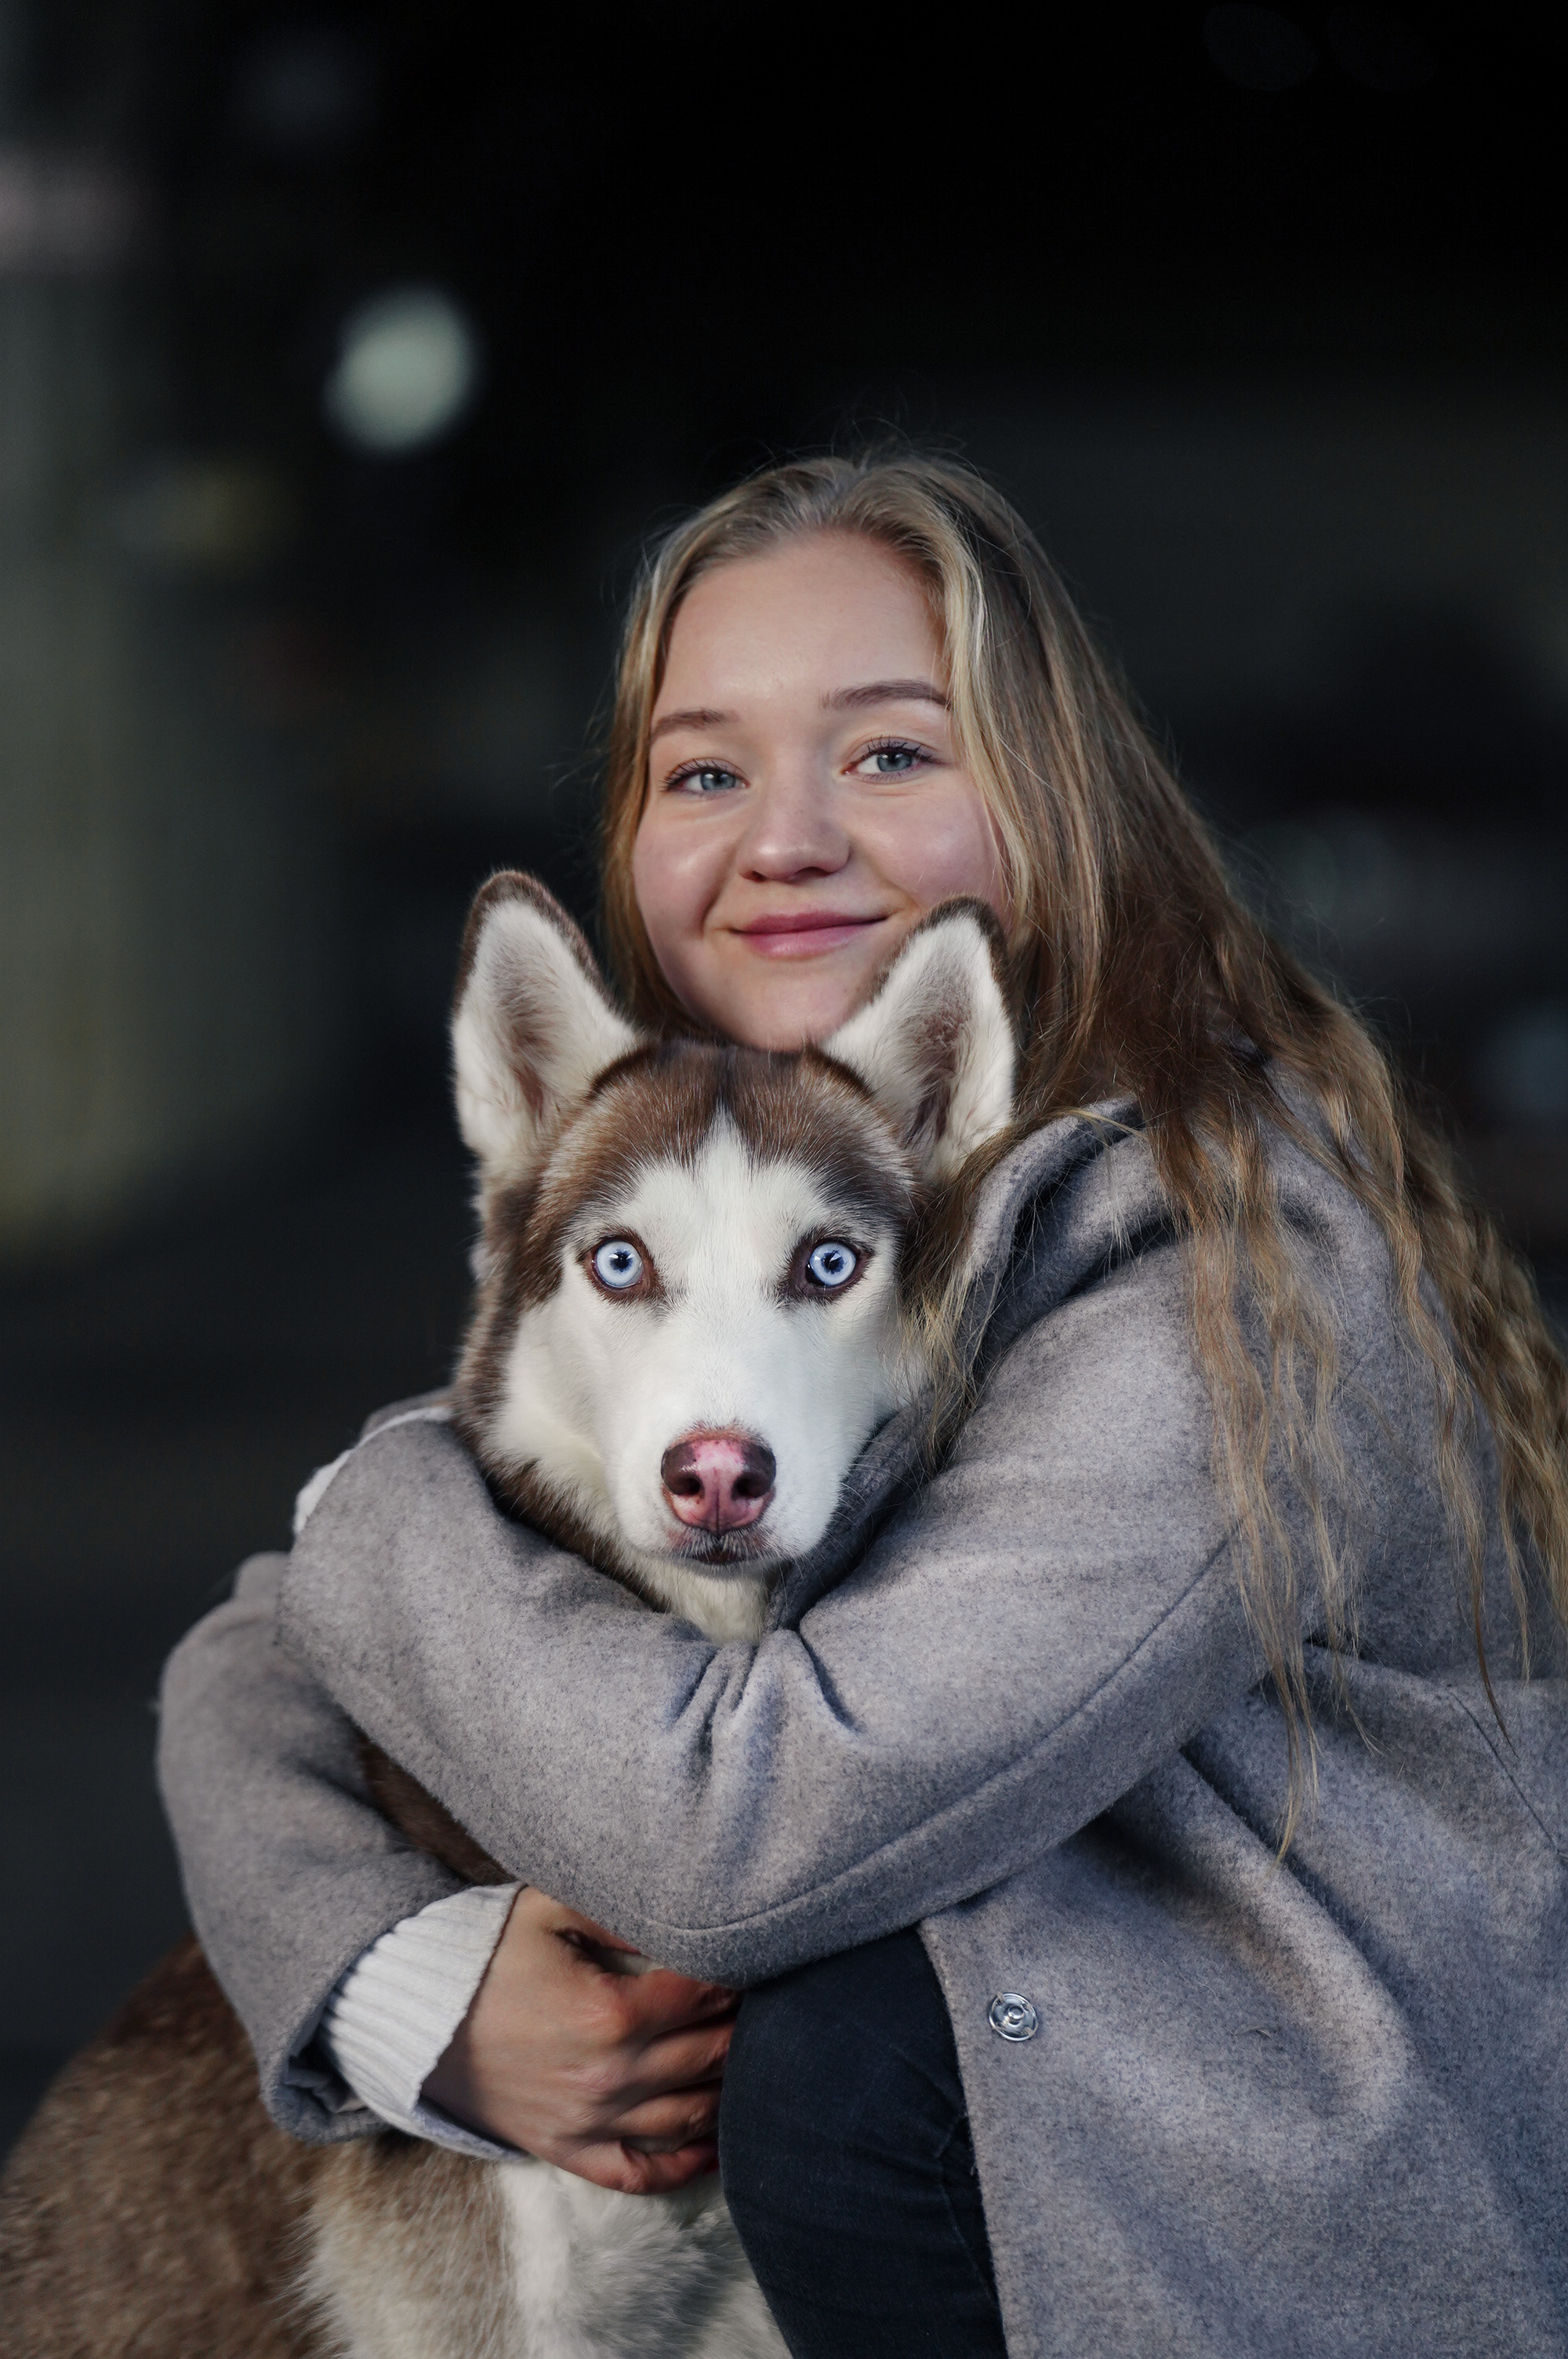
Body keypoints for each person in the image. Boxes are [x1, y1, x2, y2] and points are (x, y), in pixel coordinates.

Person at [158, 454, 1568, 2358]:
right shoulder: (768, 1193)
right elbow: (258, 1662)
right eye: (704, 770)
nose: (785, 838)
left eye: (891, 755)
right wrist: (398, 1980)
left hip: (1250, 2211)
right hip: (1016, 2071)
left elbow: (744, 1837)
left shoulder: (1227, 1282)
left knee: (829, 2049)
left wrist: (383, 1494)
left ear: (1053, 805)